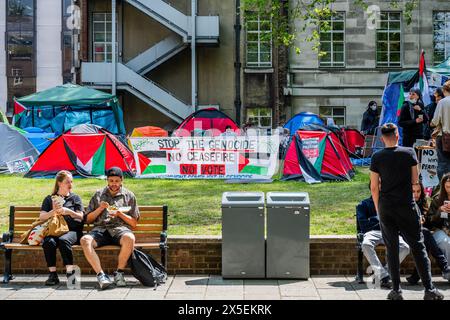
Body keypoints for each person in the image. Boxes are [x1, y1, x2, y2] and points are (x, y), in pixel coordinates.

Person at [370, 122, 443, 300]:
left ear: (382, 138)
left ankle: (396, 290)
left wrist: (379, 208)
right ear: (397, 136)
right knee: (418, 246)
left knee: (391, 249)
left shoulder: (377, 156)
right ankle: (429, 289)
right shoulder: (409, 153)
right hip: (406, 206)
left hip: (386, 206)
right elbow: (414, 180)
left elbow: (374, 187)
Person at [80, 167, 139, 290]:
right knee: (85, 240)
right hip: (100, 230)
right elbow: (88, 219)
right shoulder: (98, 195)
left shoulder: (129, 196)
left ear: (122, 180)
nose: (114, 184)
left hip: (119, 229)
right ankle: (101, 275)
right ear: (107, 180)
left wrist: (119, 214)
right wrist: (100, 209)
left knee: (130, 238)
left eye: (116, 181)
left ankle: (119, 273)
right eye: (111, 181)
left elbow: (134, 223)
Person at [357, 184, 410, 288]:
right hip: (372, 232)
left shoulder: (392, 204)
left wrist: (374, 220)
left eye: (382, 184)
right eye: (377, 184)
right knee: (366, 244)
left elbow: (397, 222)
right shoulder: (363, 204)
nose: (380, 187)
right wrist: (382, 222)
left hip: (391, 231)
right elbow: (364, 225)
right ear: (372, 187)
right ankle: (384, 275)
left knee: (405, 247)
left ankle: (383, 274)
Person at [40, 170, 84, 286]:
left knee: (64, 240)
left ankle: (71, 274)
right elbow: (42, 217)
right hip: (55, 230)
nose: (70, 185)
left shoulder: (75, 198)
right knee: (48, 242)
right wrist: (53, 211)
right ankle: (53, 275)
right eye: (67, 182)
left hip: (73, 231)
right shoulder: (50, 199)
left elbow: (81, 217)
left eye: (71, 182)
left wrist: (68, 212)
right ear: (59, 183)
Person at [405, 181, 450, 285]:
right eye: (412, 191)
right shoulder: (404, 203)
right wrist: (440, 211)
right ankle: (444, 266)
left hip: (420, 234)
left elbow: (429, 224)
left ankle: (416, 276)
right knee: (426, 235)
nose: (415, 194)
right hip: (404, 233)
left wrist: (424, 220)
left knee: (425, 236)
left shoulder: (422, 203)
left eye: (418, 191)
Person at [427, 173, 450, 262]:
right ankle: (448, 269)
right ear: (443, 186)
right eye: (447, 187)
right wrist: (440, 211)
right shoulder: (437, 199)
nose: (449, 190)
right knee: (446, 242)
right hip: (439, 230)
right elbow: (429, 222)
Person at [430, 81, 450, 181]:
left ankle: (443, 189)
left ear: (445, 90)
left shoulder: (443, 102)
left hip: (444, 137)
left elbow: (435, 121)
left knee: (443, 164)